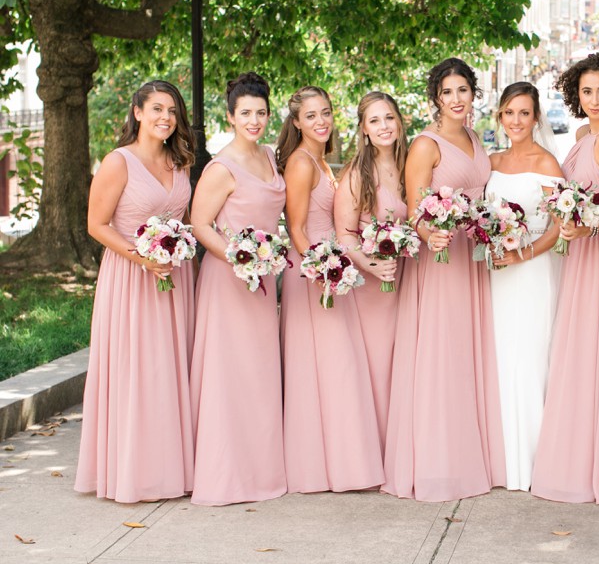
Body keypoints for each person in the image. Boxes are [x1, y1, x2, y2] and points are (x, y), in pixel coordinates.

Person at [382, 58, 506, 501]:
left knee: (467, 352)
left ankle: (473, 454)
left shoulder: (475, 137)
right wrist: (430, 231)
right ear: (436, 97)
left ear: (474, 94)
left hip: (471, 256)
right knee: (440, 353)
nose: (456, 99)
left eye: (463, 91)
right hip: (440, 260)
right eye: (447, 92)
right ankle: (437, 465)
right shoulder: (425, 145)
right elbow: (415, 208)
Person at [75, 80, 196, 503]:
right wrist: (141, 257)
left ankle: (173, 468)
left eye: (173, 111)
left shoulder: (179, 161)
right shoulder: (118, 161)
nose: (166, 117)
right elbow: (97, 224)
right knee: (138, 372)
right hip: (131, 279)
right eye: (157, 108)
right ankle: (135, 473)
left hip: (175, 279)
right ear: (138, 111)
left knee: (169, 370)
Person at [530, 52, 599, 505]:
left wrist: (590, 222)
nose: (594, 99)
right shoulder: (580, 134)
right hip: (580, 256)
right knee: (576, 350)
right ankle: (574, 453)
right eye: (586, 91)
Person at [278, 86, 384, 492]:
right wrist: (323, 269)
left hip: (333, 271)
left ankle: (344, 462)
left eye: (326, 113)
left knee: (339, 367)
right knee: (325, 365)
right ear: (297, 122)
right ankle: (320, 466)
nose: (321, 121)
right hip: (314, 274)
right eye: (311, 116)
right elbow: (297, 228)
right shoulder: (302, 164)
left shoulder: (321, 161)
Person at [189, 72, 287, 505]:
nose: (254, 120)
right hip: (229, 279)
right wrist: (238, 257)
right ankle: (224, 475)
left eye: (261, 112)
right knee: (229, 376)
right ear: (230, 116)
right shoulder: (220, 166)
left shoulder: (270, 155)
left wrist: (263, 262)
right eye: (245, 113)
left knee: (258, 375)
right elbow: (199, 224)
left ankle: (261, 471)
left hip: (262, 280)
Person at [485, 82, 564, 491]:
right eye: (509, 113)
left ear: (536, 118)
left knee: (531, 361)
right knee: (499, 360)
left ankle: (534, 464)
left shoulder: (548, 164)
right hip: (496, 275)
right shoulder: (492, 161)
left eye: (524, 113)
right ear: (499, 116)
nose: (516, 121)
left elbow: (559, 225)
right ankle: (502, 463)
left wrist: (522, 254)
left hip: (531, 271)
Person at [334, 92, 409, 447]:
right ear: (363, 129)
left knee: (400, 362)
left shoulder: (409, 164)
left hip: (405, 280)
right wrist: (373, 265)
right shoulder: (356, 174)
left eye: (389, 118)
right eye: (375, 120)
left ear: (399, 121)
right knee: (377, 364)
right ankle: (374, 447)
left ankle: (399, 444)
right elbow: (344, 236)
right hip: (372, 285)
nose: (384, 126)